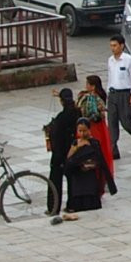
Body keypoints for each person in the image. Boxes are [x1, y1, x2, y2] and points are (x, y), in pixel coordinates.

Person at [45, 89, 81, 221]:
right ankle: (72, 204)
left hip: (60, 153)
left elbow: (55, 135)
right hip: (73, 152)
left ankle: (53, 206)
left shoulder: (61, 118)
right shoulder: (77, 112)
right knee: (72, 179)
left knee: (55, 180)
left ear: (61, 101)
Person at [80, 75, 118, 193]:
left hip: (94, 128)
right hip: (100, 127)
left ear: (92, 86)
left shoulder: (90, 98)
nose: (86, 86)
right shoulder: (101, 96)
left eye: (87, 84)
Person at [64, 133, 105, 215]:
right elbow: (69, 158)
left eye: (84, 130)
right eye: (80, 130)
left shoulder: (93, 143)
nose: (82, 133)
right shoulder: (75, 143)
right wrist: (76, 148)